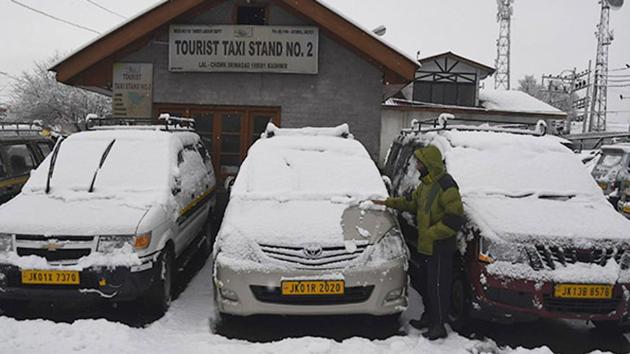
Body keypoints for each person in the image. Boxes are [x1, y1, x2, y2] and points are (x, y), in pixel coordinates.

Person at [373, 145, 464, 340]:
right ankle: (429, 317)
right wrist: (389, 202)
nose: (416, 165)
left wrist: (431, 233)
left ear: (429, 163)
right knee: (427, 285)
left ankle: (438, 325)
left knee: (439, 287)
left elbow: (455, 218)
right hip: (426, 246)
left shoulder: (446, 185)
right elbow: (413, 204)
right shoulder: (425, 185)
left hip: (440, 246)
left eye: (419, 162)